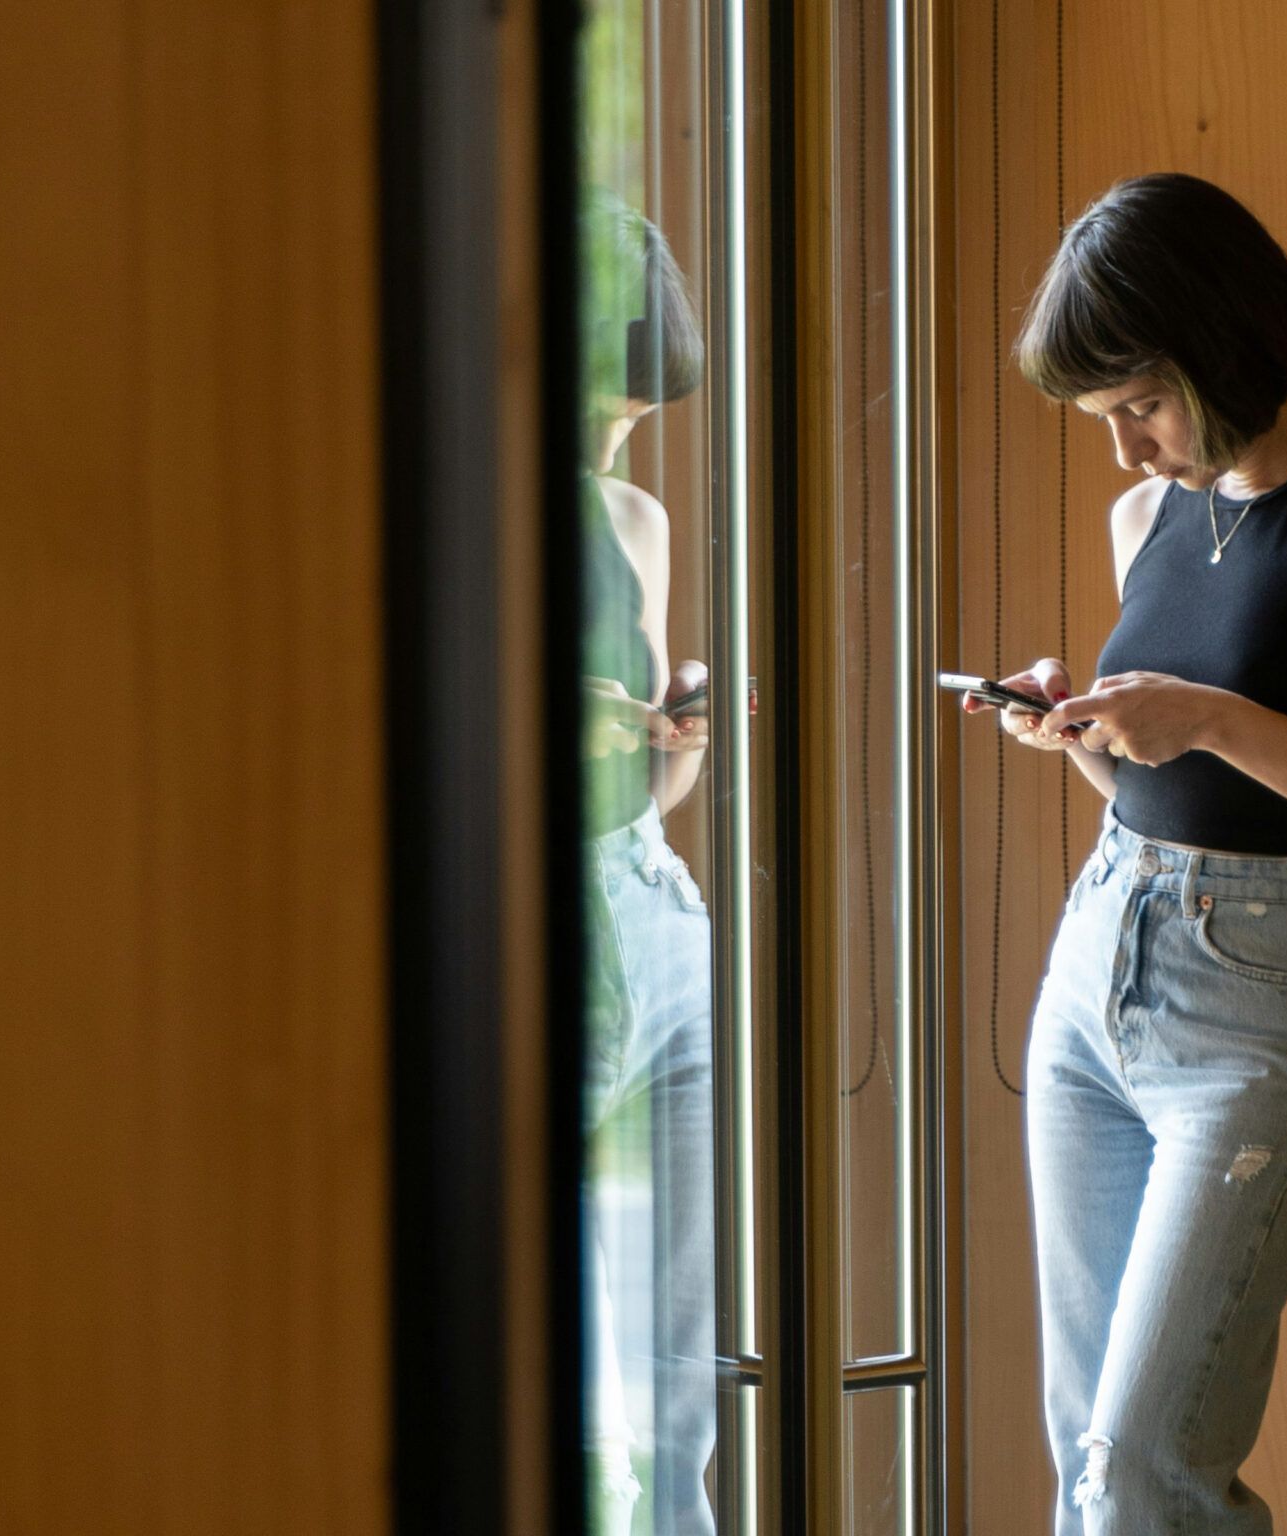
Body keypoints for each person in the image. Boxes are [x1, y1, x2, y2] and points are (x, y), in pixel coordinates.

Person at [964, 172, 1287, 1533]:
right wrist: (1083, 734)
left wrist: (1211, 716)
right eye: (1104, 419)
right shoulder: (1144, 520)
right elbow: (1172, 790)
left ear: (1220, 347)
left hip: (1264, 1006)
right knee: (1091, 1455)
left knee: (1150, 1463)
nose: (1125, 452)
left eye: (1141, 405)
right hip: (1098, 971)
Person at [577, 189, 718, 1536]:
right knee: (570, 1393)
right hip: (537, 936)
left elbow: (650, 788)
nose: (612, 444)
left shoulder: (631, 517)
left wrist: (683, 735)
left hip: (656, 910)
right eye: (596, 410)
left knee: (685, 1389)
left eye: (631, 419)